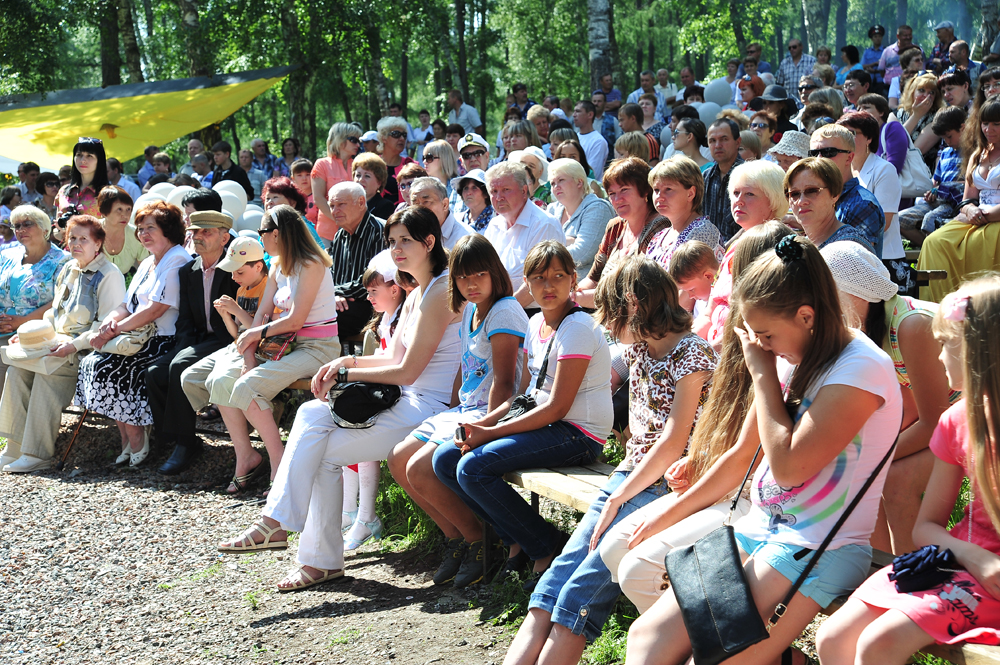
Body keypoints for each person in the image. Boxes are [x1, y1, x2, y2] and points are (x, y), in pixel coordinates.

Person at [625, 233, 903, 665]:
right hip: (762, 530)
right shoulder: (794, 353)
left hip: (821, 545)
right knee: (646, 639)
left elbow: (790, 467)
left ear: (806, 315)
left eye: (766, 335)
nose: (760, 346)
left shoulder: (862, 368)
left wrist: (763, 376)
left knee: (719, 658)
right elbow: (744, 451)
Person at [217, 206, 462, 592]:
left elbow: (407, 371)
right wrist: (346, 359)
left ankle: (295, 540)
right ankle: (297, 542)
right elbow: (391, 358)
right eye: (391, 241)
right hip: (405, 399)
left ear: (429, 242)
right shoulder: (418, 293)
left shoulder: (440, 291)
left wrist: (344, 371)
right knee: (313, 418)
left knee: (318, 449)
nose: (395, 249)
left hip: (430, 409)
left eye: (405, 241)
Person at [503, 254, 716, 665]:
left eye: (609, 310)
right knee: (555, 580)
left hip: (668, 482)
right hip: (631, 477)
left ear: (634, 306)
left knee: (580, 591)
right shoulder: (639, 348)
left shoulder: (693, 354)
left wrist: (618, 496)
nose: (603, 321)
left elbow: (673, 443)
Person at [599, 221, 791, 612]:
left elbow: (747, 456)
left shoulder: (768, 350)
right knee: (614, 549)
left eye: (732, 273)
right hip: (721, 480)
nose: (723, 288)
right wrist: (696, 460)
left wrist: (666, 505)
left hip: (757, 496)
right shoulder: (743, 341)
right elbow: (724, 429)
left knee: (637, 565)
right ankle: (699, 635)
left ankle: (705, 640)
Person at [816, 275, 1000, 664]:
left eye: (948, 344)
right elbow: (925, 528)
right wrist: (975, 557)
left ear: (981, 351)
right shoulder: (957, 421)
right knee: (833, 638)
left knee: (877, 644)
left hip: (991, 584)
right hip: (962, 563)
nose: (937, 357)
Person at [436, 241, 611, 591]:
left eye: (558, 277)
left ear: (574, 280)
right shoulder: (535, 325)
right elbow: (525, 397)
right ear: (527, 285)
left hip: (578, 434)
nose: (549, 286)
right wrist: (481, 424)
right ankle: (517, 539)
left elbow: (557, 407)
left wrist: (489, 435)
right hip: (547, 425)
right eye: (539, 278)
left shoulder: (577, 327)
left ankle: (546, 545)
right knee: (445, 458)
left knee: (473, 467)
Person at [387, 235, 527, 586]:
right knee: (397, 459)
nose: (470, 283)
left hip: (494, 412)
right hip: (466, 407)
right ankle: (459, 537)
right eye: (462, 277)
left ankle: (482, 541)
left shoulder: (505, 309)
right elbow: (466, 371)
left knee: (422, 468)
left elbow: (507, 384)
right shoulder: (470, 310)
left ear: (494, 272)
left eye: (478, 275)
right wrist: (452, 408)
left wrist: (488, 430)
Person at [820, 241, 954, 555]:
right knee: (860, 476)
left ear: (856, 294)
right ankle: (884, 569)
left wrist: (877, 457)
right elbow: (910, 408)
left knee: (894, 479)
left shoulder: (910, 325)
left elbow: (935, 422)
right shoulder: (868, 329)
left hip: (982, 410)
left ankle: (913, 577)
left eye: (825, 294)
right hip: (952, 415)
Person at [195, 205, 338, 492]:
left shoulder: (310, 263)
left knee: (246, 388)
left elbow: (295, 320)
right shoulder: (277, 264)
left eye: (262, 233)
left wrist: (253, 339)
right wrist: (249, 354)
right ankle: (254, 458)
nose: (261, 240)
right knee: (225, 380)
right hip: (283, 345)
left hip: (317, 348)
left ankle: (278, 465)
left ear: (277, 233)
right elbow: (260, 316)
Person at [0, 216, 125, 473]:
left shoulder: (109, 275)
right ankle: (14, 445)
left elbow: (105, 328)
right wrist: (28, 334)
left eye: (84, 239)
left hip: (88, 352)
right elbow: (54, 313)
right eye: (72, 238)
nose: (76, 244)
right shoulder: (70, 268)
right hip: (56, 345)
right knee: (17, 370)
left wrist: (73, 346)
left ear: (98, 244)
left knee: (48, 372)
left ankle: (37, 453)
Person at [75, 201, 189, 466]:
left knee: (113, 369)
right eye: (139, 229)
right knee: (93, 362)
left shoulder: (178, 258)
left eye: (150, 227)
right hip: (138, 337)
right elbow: (126, 304)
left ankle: (138, 434)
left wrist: (114, 330)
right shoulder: (149, 261)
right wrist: (110, 322)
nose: (143, 234)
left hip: (164, 340)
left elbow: (155, 310)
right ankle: (126, 436)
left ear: (168, 229)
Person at [146, 210, 238, 475]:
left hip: (227, 340)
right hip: (198, 340)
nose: (198, 237)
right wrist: (183, 347)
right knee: (154, 373)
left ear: (224, 238)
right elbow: (185, 319)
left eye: (205, 232)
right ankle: (171, 439)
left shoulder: (233, 269)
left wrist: (184, 354)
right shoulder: (189, 270)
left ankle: (185, 444)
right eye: (194, 232)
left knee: (179, 367)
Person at [340, 253, 407, 548]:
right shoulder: (386, 319)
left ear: (395, 289)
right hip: (389, 389)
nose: (368, 297)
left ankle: (366, 516)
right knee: (347, 422)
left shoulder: (405, 318)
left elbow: (398, 364)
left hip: (404, 393)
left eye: (373, 291)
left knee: (362, 426)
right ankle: (349, 511)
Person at [694, 160, 788, 345]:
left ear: (774, 199)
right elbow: (709, 313)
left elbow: (746, 326)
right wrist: (684, 347)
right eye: (736, 193)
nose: (739, 200)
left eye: (750, 194)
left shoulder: (775, 249)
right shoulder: (735, 245)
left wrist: (704, 356)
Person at [917, 97, 1000, 301]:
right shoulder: (977, 155)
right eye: (985, 123)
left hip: (995, 217)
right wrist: (971, 210)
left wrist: (985, 214)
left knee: (980, 243)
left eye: (996, 123)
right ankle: (936, 307)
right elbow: (967, 199)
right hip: (977, 215)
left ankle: (982, 306)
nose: (989, 129)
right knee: (934, 242)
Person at [574, 157, 670, 308]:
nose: (617, 199)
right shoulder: (615, 226)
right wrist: (573, 293)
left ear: (645, 191)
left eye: (624, 190)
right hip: (604, 314)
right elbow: (593, 278)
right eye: (612, 193)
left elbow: (635, 291)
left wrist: (574, 298)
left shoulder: (659, 226)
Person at [0, 206, 71, 390]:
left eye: (27, 224)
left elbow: (60, 302)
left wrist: (22, 322)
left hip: (35, 336)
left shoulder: (63, 261)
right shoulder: (6, 256)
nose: (21, 229)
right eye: (16, 226)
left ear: (45, 229)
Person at [483, 162, 565, 307]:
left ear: (524, 190)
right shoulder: (494, 226)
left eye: (506, 189)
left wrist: (503, 312)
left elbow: (538, 282)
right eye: (494, 191)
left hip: (536, 315)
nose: (499, 197)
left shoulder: (543, 224)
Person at [836, 112, 905, 281]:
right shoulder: (841, 171)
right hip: (850, 256)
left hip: (884, 261)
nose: (845, 138)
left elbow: (884, 223)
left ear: (869, 138)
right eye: (841, 133)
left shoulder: (884, 169)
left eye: (851, 133)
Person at [810, 124, 886, 257]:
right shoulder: (820, 196)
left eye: (828, 152)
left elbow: (857, 263)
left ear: (849, 158)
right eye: (814, 153)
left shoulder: (862, 205)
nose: (819, 159)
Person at [324, 182, 386, 340]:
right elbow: (333, 275)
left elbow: (371, 282)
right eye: (331, 205)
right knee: (316, 311)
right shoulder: (340, 235)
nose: (334, 211)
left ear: (361, 202)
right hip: (343, 304)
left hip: (374, 307)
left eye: (341, 204)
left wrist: (334, 293)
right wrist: (335, 296)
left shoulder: (378, 231)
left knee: (322, 316)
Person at [899, 106, 966, 244]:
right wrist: (931, 193)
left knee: (930, 219)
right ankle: (928, 249)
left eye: (949, 136)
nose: (947, 142)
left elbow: (971, 184)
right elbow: (935, 183)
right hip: (938, 202)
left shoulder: (973, 152)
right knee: (899, 219)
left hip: (958, 203)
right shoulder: (945, 153)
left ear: (963, 128)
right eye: (943, 138)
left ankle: (937, 251)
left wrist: (943, 189)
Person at [645, 156, 724, 271]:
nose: (659, 197)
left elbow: (690, 287)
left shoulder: (703, 233)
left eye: (668, 189)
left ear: (690, 193)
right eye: (656, 190)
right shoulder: (658, 237)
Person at [785, 157, 876, 252]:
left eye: (811, 191)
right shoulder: (802, 245)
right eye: (794, 194)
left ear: (835, 194)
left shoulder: (849, 248)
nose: (801, 201)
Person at [546, 158, 615, 278]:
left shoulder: (598, 208)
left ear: (579, 182)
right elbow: (536, 243)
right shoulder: (552, 209)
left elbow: (582, 254)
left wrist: (546, 252)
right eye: (552, 183)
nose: (556, 186)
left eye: (561, 180)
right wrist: (568, 240)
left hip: (584, 287)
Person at [311, 122, 362, 245]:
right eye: (353, 140)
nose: (358, 144)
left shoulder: (358, 165)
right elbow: (318, 199)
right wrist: (340, 220)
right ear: (339, 139)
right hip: (328, 233)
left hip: (354, 231)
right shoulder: (322, 164)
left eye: (359, 140)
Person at [702, 118, 745, 242]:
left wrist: (726, 249)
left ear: (738, 142)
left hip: (740, 251)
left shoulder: (750, 176)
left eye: (724, 139)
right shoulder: (706, 177)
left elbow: (756, 223)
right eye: (712, 141)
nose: (717, 145)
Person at [407, 177, 476, 249]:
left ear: (445, 204)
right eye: (415, 203)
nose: (419, 209)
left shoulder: (465, 238)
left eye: (426, 202)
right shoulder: (408, 235)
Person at [96, 186, 148, 276]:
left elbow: (146, 269)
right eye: (119, 209)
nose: (125, 215)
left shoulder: (137, 235)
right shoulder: (90, 232)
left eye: (128, 209)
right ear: (104, 212)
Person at [897, 73, 945, 171]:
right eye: (921, 90)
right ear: (912, 91)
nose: (926, 96)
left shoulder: (938, 117)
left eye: (932, 92)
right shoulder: (901, 112)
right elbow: (893, 141)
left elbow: (914, 152)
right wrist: (915, 115)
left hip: (919, 172)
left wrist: (916, 115)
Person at [57, 137, 110, 220]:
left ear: (99, 161)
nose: (83, 160)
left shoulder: (108, 194)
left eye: (89, 156)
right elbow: (56, 224)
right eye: (79, 155)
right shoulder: (63, 191)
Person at [857, 93, 910, 175]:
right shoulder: (865, 136)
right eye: (858, 109)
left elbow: (894, 167)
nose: (860, 112)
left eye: (866, 108)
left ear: (881, 112)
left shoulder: (892, 128)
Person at [376, 116, 416, 205]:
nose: (402, 138)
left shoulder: (412, 165)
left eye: (404, 135)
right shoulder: (372, 164)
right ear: (384, 138)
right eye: (396, 134)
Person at [422, 140, 464, 214]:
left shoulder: (460, 186)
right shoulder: (422, 186)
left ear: (444, 159)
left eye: (429, 158)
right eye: (424, 158)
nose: (424, 162)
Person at [352, 152, 397, 220]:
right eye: (358, 175)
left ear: (379, 182)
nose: (361, 180)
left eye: (367, 176)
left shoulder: (385, 206)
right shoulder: (350, 204)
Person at [572, 100, 609, 180]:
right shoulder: (574, 138)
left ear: (590, 114)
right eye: (574, 111)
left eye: (578, 111)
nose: (574, 115)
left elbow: (593, 173)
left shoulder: (598, 141)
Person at [879, 24, 923, 91]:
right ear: (898, 36)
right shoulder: (887, 51)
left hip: (913, 87)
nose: (908, 37)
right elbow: (881, 70)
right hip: (889, 88)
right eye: (905, 35)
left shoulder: (918, 50)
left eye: (910, 35)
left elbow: (923, 69)